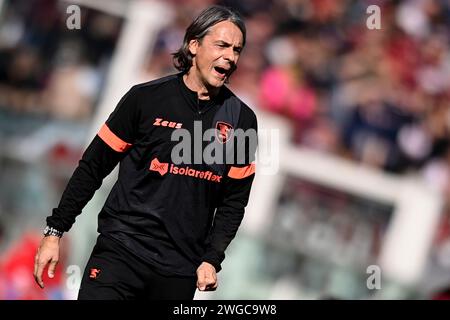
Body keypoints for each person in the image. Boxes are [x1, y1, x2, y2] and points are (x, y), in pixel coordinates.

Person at [33, 5, 258, 300]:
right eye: (222, 45)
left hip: (178, 272)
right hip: (120, 254)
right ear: (194, 45)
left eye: (237, 50)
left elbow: (234, 202)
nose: (230, 56)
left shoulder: (242, 120)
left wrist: (211, 258)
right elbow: (93, 167)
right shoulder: (145, 99)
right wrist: (55, 231)